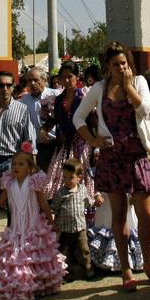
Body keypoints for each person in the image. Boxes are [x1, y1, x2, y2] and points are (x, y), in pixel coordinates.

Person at [75, 41, 150, 291]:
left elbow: (144, 109)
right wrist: (92, 140)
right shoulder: (99, 88)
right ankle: (124, 269)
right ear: (108, 67)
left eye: (124, 63)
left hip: (136, 155)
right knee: (118, 214)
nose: (121, 68)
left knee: (145, 214)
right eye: (116, 64)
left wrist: (127, 86)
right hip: (112, 157)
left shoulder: (139, 83)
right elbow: (78, 116)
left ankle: (147, 263)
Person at [0, 144, 64, 300]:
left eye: (21, 164)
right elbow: (0, 200)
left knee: (35, 256)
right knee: (15, 257)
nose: (16, 167)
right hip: (16, 229)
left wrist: (51, 220)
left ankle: (37, 285)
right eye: (14, 164)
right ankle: (16, 288)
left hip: (33, 226)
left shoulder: (34, 182)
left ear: (29, 166)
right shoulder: (8, 183)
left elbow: (43, 203)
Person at [0, 70, 40, 272]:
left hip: (13, 165)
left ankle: (14, 254)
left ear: (13, 87)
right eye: (0, 85)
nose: (4, 89)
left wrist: (30, 168)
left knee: (15, 212)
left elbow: (28, 142)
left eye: (8, 85)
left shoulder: (22, 110)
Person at [42, 63, 93, 198]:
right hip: (64, 144)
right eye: (63, 77)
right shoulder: (57, 100)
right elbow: (55, 119)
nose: (66, 80)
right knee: (60, 176)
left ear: (77, 77)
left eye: (70, 76)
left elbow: (93, 120)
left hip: (82, 143)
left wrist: (96, 145)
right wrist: (44, 129)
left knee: (80, 175)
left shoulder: (85, 96)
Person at [50, 158, 100, 281]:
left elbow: (89, 203)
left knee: (84, 250)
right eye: (65, 177)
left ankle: (88, 268)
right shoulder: (60, 193)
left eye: (71, 177)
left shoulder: (83, 189)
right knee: (64, 252)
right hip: (65, 229)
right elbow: (54, 209)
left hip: (80, 228)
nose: (67, 181)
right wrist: (52, 222)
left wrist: (97, 202)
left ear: (79, 177)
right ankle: (66, 273)